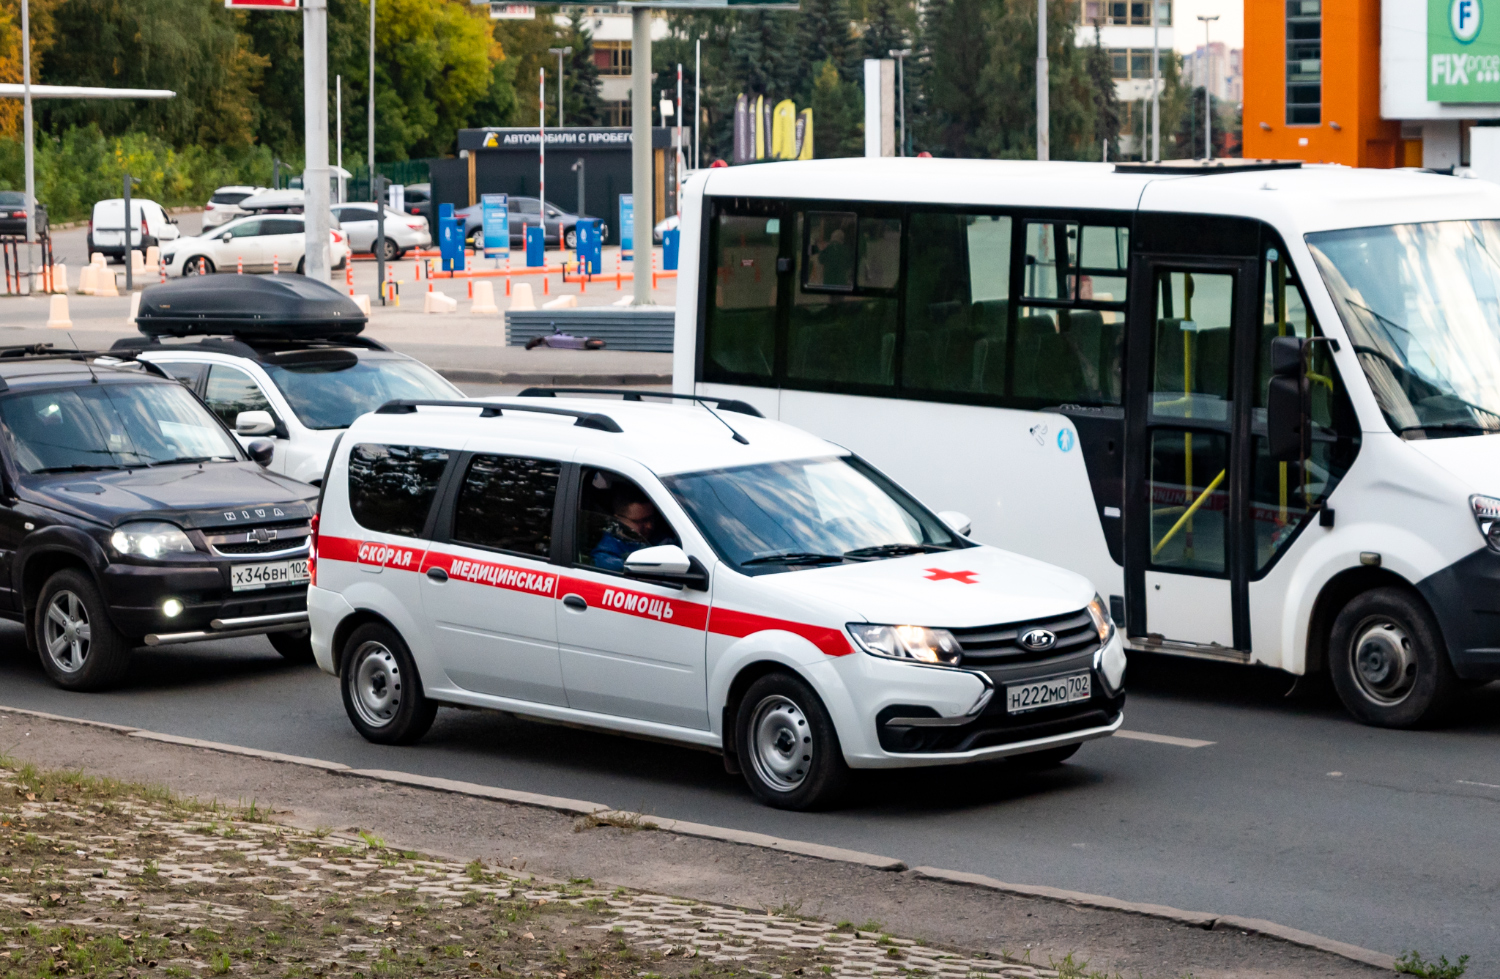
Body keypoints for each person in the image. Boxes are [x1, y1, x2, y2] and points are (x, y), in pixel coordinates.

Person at [591, 490, 675, 571]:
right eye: (641, 521)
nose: (649, 526)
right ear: (619, 520)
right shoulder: (607, 555)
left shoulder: (660, 535)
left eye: (651, 518)